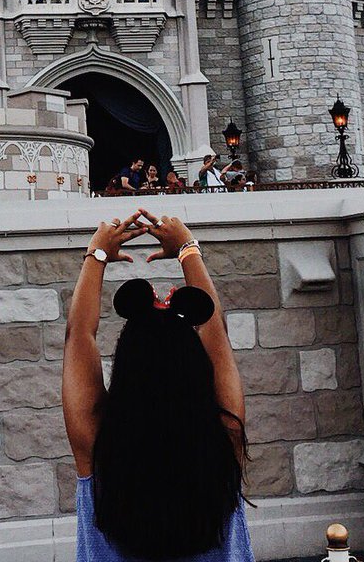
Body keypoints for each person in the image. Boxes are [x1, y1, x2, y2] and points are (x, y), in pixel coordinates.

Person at [63, 210, 251, 561]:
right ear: (196, 369)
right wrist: (187, 249)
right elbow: (217, 334)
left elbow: (78, 336)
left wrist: (97, 255)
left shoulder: (97, 442)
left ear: (126, 366)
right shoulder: (224, 434)